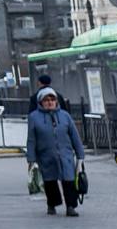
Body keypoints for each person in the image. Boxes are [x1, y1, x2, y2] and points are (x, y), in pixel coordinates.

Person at [26, 86, 86, 217]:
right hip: (46, 155)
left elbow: (74, 136)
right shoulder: (34, 117)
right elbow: (31, 139)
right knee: (50, 181)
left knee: (69, 180)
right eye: (46, 100)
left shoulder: (65, 116)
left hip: (65, 154)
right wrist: (31, 158)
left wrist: (80, 154)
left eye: (52, 99)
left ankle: (71, 206)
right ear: (41, 102)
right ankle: (52, 204)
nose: (50, 102)